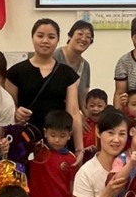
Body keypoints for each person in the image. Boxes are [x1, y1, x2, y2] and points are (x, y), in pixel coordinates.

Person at [6, 19, 83, 152]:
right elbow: (8, 108)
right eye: (40, 36)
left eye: (51, 37)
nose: (45, 41)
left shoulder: (67, 74)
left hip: (58, 143)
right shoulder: (15, 72)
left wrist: (79, 148)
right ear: (32, 38)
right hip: (24, 143)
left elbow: (74, 113)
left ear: (58, 40)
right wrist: (16, 112)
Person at [57, 20, 95, 104]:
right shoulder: (55, 57)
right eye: (80, 34)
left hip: (74, 111)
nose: (83, 39)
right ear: (70, 36)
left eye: (88, 36)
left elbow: (83, 99)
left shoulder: (85, 66)